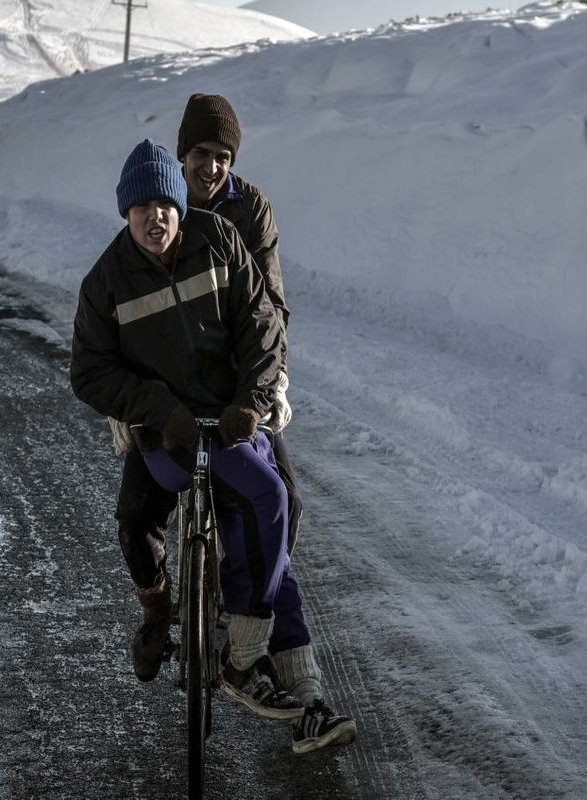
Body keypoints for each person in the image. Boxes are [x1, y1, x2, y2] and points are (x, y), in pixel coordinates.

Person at [71, 138, 357, 753]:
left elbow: (262, 324)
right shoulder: (105, 281)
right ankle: (163, 616)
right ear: (125, 212)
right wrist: (158, 410)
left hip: (226, 419)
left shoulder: (221, 239)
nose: (155, 217)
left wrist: (251, 402)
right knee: (139, 519)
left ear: (179, 203)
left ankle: (245, 652)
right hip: (165, 434)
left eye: (164, 204)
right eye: (141, 207)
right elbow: (89, 372)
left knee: (271, 502)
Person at [113, 93, 305, 682]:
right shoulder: (158, 202)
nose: (211, 167)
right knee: (134, 516)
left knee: (284, 500)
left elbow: (269, 303)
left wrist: (268, 383)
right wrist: (127, 401)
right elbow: (133, 305)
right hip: (171, 390)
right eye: (201, 153)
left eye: (223, 156)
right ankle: (155, 614)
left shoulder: (251, 211)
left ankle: (247, 605)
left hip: (237, 380)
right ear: (182, 153)